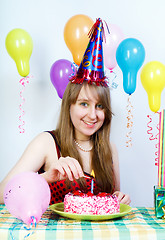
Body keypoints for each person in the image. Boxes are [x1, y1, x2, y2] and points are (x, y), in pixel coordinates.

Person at [0, 18, 130, 205]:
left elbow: (113, 198)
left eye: (99, 106)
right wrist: (45, 177)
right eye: (84, 104)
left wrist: (120, 198)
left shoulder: (110, 149)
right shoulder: (46, 143)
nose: (93, 115)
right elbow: (3, 193)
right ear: (69, 105)